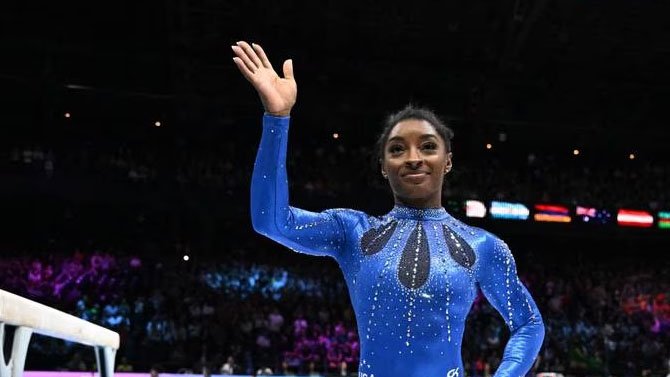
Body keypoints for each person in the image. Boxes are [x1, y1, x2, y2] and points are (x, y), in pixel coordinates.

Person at [233, 40, 545, 377]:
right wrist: (277, 119)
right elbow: (270, 221)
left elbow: (528, 323)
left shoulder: (483, 247)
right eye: (397, 149)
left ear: (448, 162)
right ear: (384, 166)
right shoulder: (352, 231)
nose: (413, 158)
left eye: (427, 147)